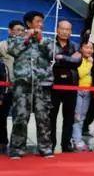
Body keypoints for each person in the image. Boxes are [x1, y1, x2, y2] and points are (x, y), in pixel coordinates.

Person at [8, 11, 54, 159]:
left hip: (42, 84)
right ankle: (17, 149)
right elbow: (12, 51)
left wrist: (40, 40)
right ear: (29, 23)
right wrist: (26, 37)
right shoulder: (17, 39)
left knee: (43, 117)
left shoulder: (46, 40)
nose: (41, 24)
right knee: (20, 117)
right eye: (38, 21)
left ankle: (45, 148)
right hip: (23, 85)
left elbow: (54, 54)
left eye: (42, 21)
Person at [50, 20, 81, 153]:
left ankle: (66, 145)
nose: (65, 31)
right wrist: (69, 59)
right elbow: (50, 60)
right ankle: (50, 145)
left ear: (71, 31)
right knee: (51, 117)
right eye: (62, 28)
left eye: (68, 29)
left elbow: (77, 62)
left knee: (69, 117)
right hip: (53, 85)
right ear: (57, 29)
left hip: (71, 86)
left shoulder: (75, 45)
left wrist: (61, 57)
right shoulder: (50, 44)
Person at [0, 20, 25, 154]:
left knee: (19, 118)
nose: (20, 32)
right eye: (17, 30)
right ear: (10, 31)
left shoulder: (27, 46)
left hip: (22, 89)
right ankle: (3, 142)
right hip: (6, 88)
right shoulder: (2, 45)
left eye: (22, 30)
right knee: (1, 116)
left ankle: (17, 145)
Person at [71, 40, 94, 151]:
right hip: (78, 91)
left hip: (88, 91)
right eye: (86, 47)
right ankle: (77, 141)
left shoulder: (92, 60)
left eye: (91, 48)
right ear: (81, 48)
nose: (89, 50)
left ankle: (77, 139)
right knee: (77, 117)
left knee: (82, 117)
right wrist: (89, 64)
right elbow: (80, 74)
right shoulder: (78, 58)